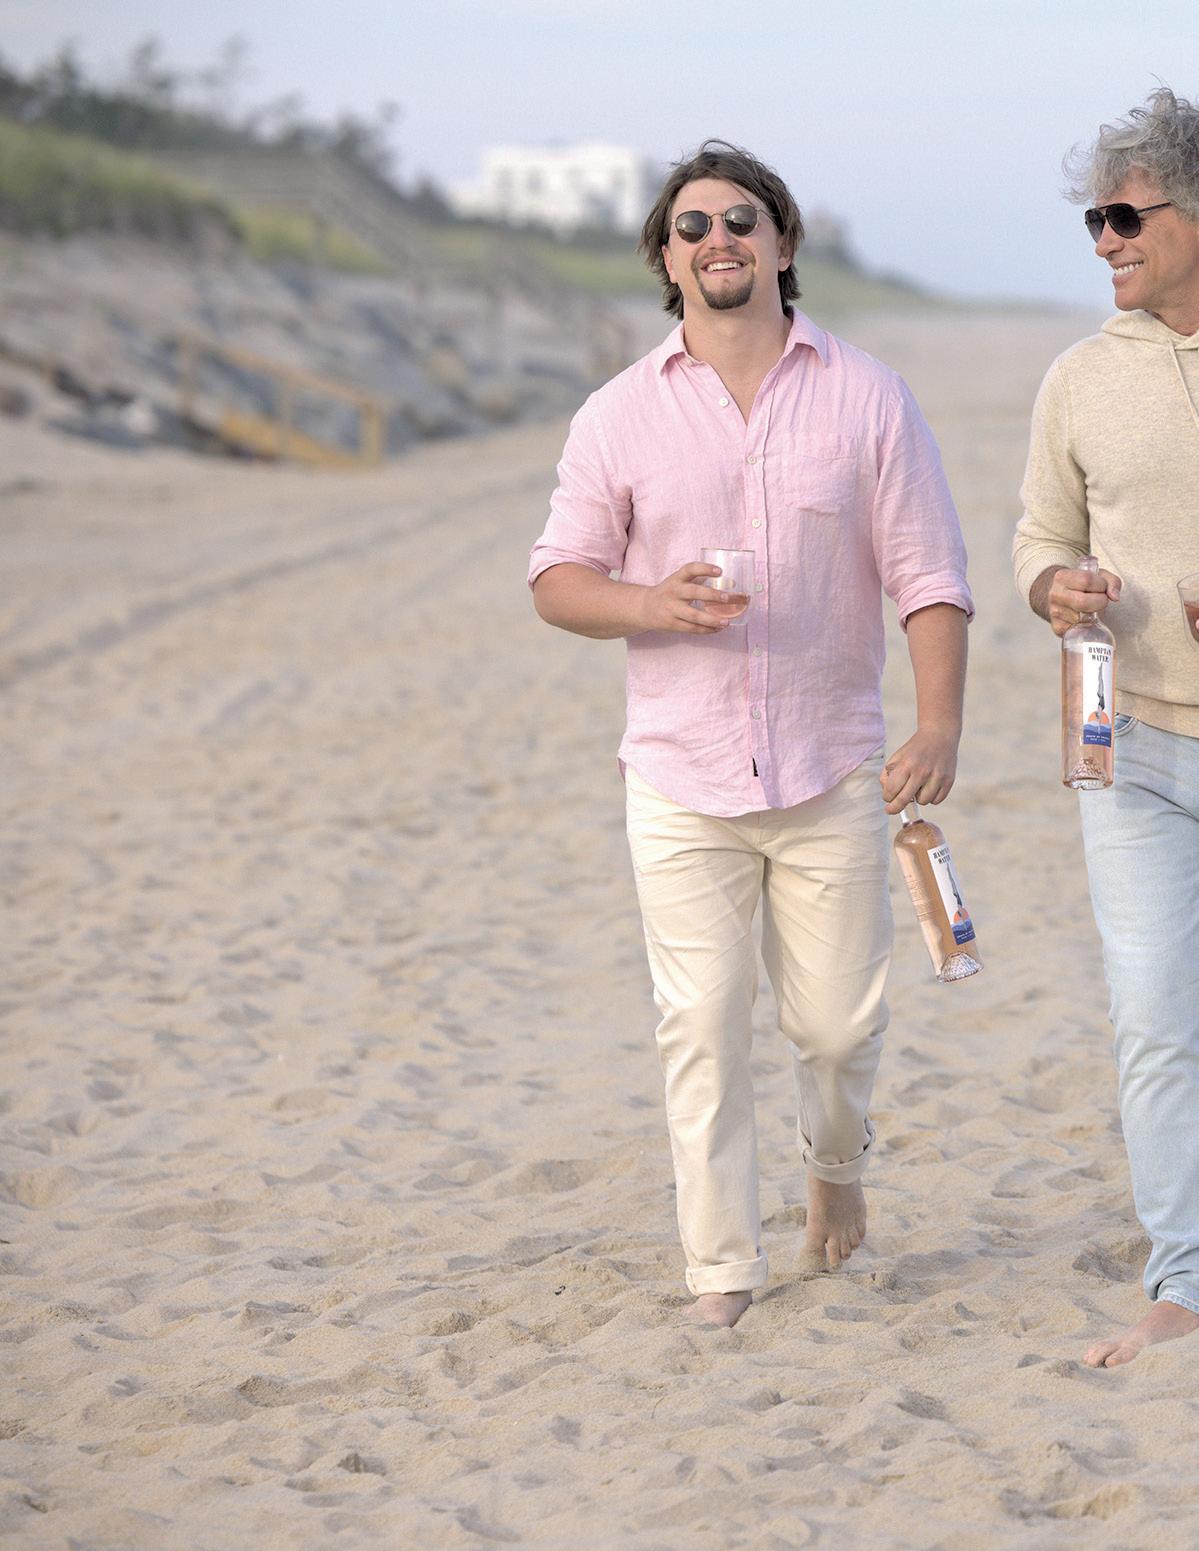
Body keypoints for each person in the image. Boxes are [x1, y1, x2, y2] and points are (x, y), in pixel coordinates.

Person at [529, 141, 973, 1328]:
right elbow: (556, 579)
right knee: (701, 1028)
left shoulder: (866, 395)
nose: (714, 239)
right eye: (690, 227)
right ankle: (720, 1268)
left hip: (830, 767)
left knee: (835, 1030)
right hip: (679, 776)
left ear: (781, 243)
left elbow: (928, 573)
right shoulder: (617, 413)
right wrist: (648, 604)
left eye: (738, 220)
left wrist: (937, 723)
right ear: (665, 261)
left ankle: (834, 1169)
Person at [1013, 87, 1199, 1368]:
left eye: (1124, 217)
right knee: (1151, 1023)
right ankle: (1181, 1279)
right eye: (1091, 221)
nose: (1102, 243)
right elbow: (1040, 532)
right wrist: (1051, 588)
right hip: (1125, 744)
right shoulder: (1077, 379)